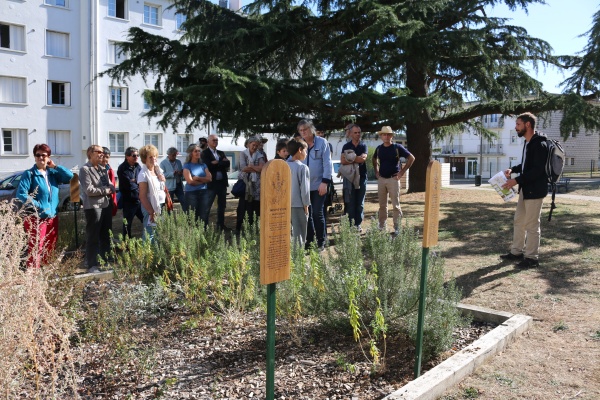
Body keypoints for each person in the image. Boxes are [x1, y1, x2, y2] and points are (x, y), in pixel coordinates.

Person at [500, 112, 549, 269]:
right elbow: (526, 166)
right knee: (519, 221)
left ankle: (532, 258)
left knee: (532, 225)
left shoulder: (540, 144)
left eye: (518, 124)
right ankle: (516, 252)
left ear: (528, 125)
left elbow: (537, 171)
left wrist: (516, 180)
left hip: (535, 191)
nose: (516, 128)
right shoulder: (528, 143)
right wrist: (512, 170)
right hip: (526, 190)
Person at [16, 143, 74, 268]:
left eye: (44, 155)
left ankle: (45, 274)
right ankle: (33, 277)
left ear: (48, 157)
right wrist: (39, 206)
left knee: (50, 247)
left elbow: (69, 176)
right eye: (38, 155)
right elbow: (21, 194)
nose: (41, 158)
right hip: (36, 218)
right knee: (36, 248)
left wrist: (54, 166)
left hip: (52, 217)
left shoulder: (53, 174)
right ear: (34, 157)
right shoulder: (29, 174)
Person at [372, 126, 415, 234]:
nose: (386, 137)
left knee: (395, 205)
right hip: (381, 179)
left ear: (391, 136)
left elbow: (411, 158)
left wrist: (402, 172)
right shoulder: (379, 148)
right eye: (384, 134)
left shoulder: (397, 147)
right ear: (381, 136)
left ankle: (397, 227)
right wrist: (376, 171)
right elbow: (374, 159)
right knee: (382, 205)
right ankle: (382, 226)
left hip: (393, 179)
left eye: (388, 134)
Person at [80, 145, 116, 272]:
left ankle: (104, 261)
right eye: (99, 152)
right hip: (94, 207)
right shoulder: (85, 169)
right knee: (93, 236)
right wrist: (106, 190)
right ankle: (92, 264)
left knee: (106, 236)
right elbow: (89, 190)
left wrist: (111, 186)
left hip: (106, 205)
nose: (102, 154)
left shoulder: (102, 169)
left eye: (102, 152)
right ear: (90, 153)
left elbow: (110, 184)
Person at [297, 119, 332, 249]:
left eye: (305, 129)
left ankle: (321, 241)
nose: (303, 132)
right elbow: (291, 159)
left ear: (312, 129)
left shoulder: (322, 143)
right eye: (300, 130)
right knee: (307, 214)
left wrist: (325, 182)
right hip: (304, 186)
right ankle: (309, 241)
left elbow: (327, 164)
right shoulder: (299, 144)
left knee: (317, 212)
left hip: (319, 185)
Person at [341, 124, 368, 231]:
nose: (357, 134)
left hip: (362, 177)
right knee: (350, 202)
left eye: (359, 132)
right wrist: (357, 158)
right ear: (351, 134)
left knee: (360, 202)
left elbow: (363, 159)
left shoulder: (363, 145)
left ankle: (358, 224)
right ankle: (351, 225)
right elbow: (342, 161)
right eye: (355, 132)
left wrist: (350, 157)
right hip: (349, 177)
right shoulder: (346, 146)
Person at [236, 136, 266, 232]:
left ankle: (253, 228)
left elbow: (262, 168)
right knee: (243, 205)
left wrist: (251, 166)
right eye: (253, 145)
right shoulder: (243, 154)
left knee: (255, 205)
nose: (255, 147)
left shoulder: (260, 155)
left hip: (256, 185)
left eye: (256, 146)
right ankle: (239, 228)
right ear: (249, 144)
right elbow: (244, 168)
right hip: (245, 183)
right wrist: (255, 168)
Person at [138, 145, 166, 242]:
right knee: (149, 233)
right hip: (150, 207)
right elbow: (142, 196)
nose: (154, 159)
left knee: (158, 232)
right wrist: (151, 212)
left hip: (160, 205)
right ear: (144, 159)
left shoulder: (158, 171)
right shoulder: (143, 174)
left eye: (155, 156)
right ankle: (146, 255)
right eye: (150, 157)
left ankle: (155, 254)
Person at [202, 135, 230, 229]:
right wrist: (220, 162)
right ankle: (204, 226)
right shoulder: (204, 153)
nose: (215, 142)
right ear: (208, 141)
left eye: (217, 140)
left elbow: (227, 163)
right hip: (211, 184)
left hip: (221, 183)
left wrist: (216, 162)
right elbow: (207, 165)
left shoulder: (221, 153)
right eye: (213, 140)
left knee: (222, 206)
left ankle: (220, 225)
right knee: (207, 206)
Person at [287, 139, 310, 246]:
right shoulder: (302, 167)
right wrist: (306, 205)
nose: (306, 153)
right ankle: (298, 259)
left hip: (284, 205)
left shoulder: (283, 166)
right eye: (306, 150)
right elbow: (304, 189)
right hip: (298, 204)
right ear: (300, 150)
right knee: (299, 233)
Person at [183, 144, 212, 225]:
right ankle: (192, 236)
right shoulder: (187, 166)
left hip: (204, 193)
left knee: (204, 215)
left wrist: (198, 178)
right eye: (195, 151)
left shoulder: (203, 165)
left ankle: (204, 234)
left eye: (199, 151)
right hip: (191, 194)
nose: (198, 153)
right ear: (191, 153)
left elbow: (209, 179)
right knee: (192, 216)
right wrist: (204, 180)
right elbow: (190, 182)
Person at [117, 147, 143, 238]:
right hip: (129, 201)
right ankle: (127, 245)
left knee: (146, 220)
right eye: (134, 155)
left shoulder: (138, 166)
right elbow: (128, 185)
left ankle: (148, 239)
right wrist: (137, 182)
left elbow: (142, 181)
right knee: (127, 224)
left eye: (137, 155)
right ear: (127, 156)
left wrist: (135, 181)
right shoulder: (122, 168)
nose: (136, 157)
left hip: (139, 200)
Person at [160, 147, 187, 213]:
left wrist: (181, 173)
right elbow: (162, 175)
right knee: (169, 203)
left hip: (179, 185)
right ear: (168, 154)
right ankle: (169, 218)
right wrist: (172, 173)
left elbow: (181, 172)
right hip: (169, 187)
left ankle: (187, 216)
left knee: (184, 201)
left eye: (175, 155)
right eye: (173, 155)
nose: (174, 157)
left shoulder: (178, 162)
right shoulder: (163, 163)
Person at [101, 147, 118, 217]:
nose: (105, 159)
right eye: (103, 157)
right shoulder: (93, 169)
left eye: (107, 157)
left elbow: (113, 185)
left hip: (109, 201)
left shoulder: (109, 169)